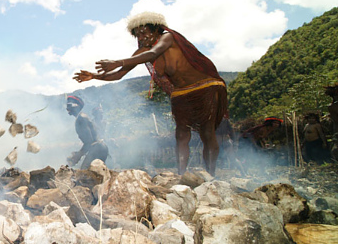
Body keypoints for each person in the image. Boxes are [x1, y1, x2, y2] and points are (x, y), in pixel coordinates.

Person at [74, 11, 228, 175]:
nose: (141, 36)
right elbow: (119, 74)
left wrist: (117, 62)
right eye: (137, 34)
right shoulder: (142, 53)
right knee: (181, 134)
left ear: (156, 29)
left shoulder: (168, 38)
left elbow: (154, 53)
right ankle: (181, 175)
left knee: (206, 131)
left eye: (144, 31)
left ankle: (211, 175)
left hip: (204, 86)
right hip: (181, 93)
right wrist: (94, 76)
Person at [66, 95, 109, 169]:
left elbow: (89, 142)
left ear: (76, 106)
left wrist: (78, 155)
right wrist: (78, 154)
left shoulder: (81, 118)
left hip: (98, 148)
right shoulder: (81, 117)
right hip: (99, 148)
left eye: (69, 105)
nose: (67, 108)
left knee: (84, 175)